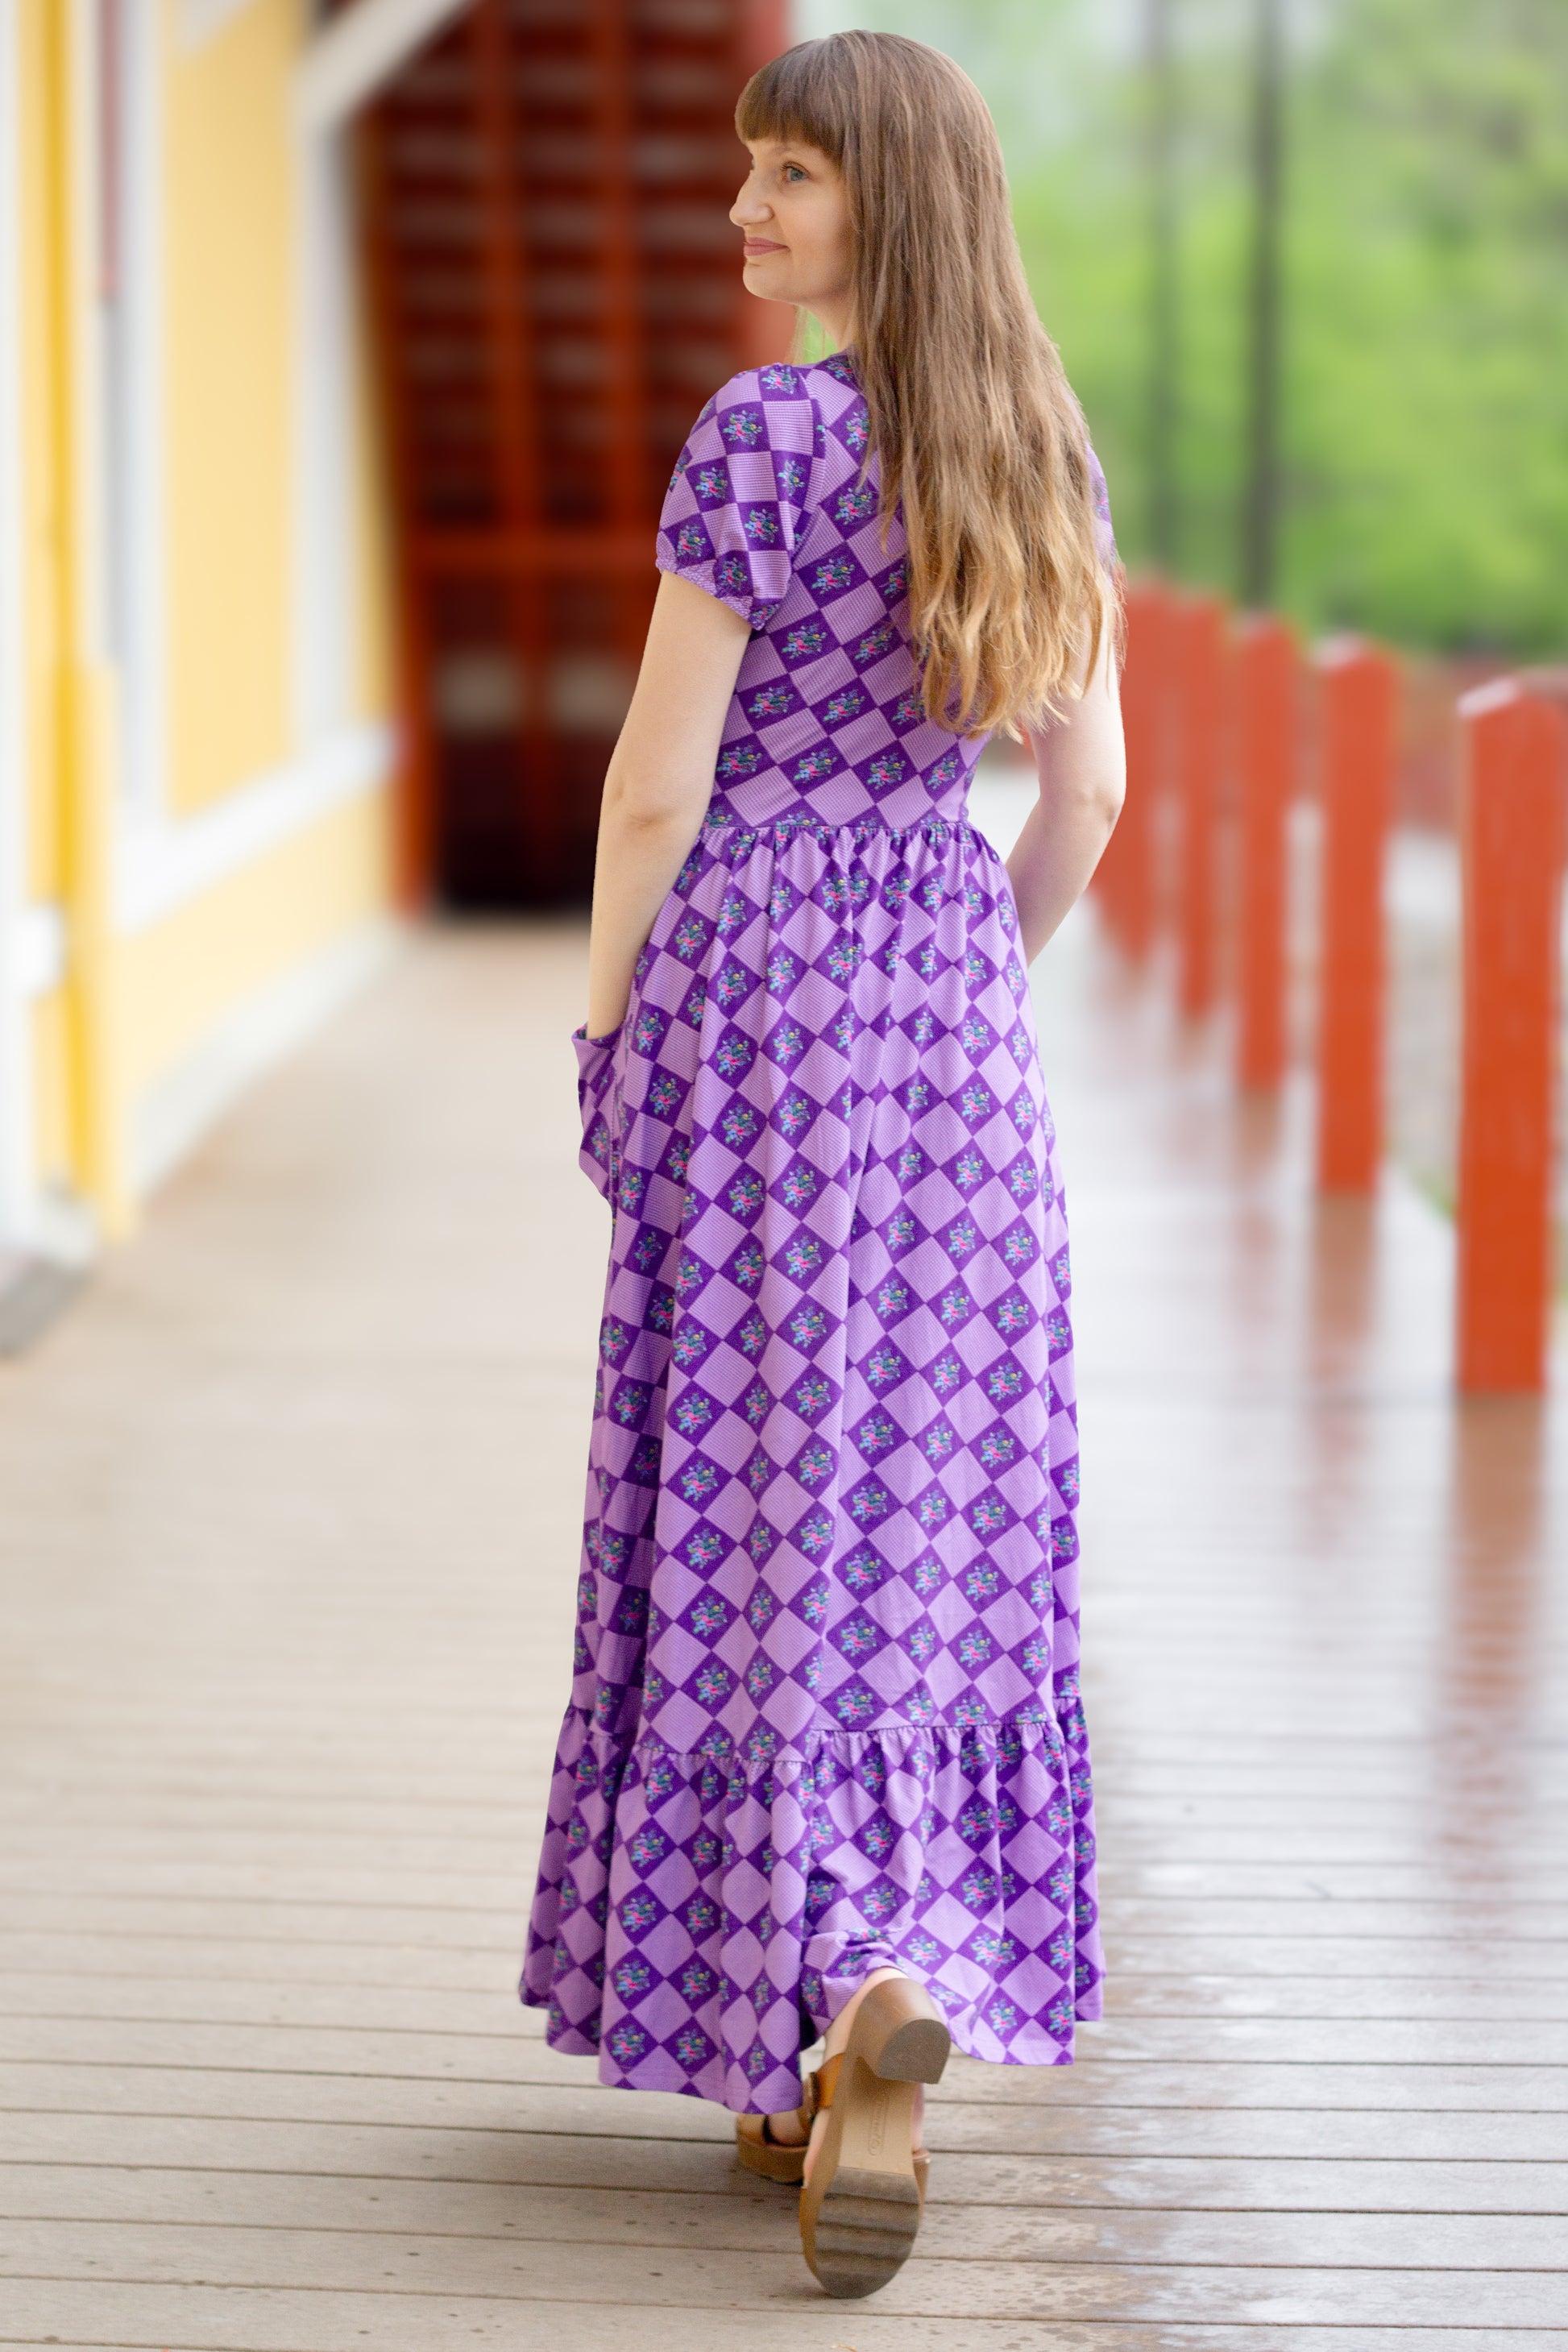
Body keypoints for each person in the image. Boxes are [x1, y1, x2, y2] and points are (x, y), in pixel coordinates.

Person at [522, 28, 1125, 2301]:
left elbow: (654, 790)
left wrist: (603, 1028)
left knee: (760, 1500)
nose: (741, 218)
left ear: (886, 199)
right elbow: (1084, 802)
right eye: (746, 175)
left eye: (784, 180)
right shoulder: (1032, 448)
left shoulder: (760, 438)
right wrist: (968, 987)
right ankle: (870, 1985)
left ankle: (818, 1991)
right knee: (922, 1512)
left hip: (752, 999)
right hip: (945, 1008)